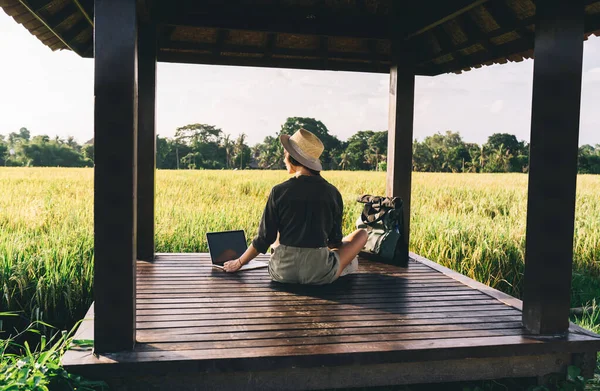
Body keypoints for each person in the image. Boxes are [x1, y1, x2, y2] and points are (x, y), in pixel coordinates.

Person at [223, 128, 367, 284]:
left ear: (290, 157)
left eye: (285, 155)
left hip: (282, 272)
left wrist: (238, 263)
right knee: (362, 234)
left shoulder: (278, 191)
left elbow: (264, 238)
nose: (284, 160)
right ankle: (342, 267)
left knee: (278, 234)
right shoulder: (332, 193)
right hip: (319, 273)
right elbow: (334, 241)